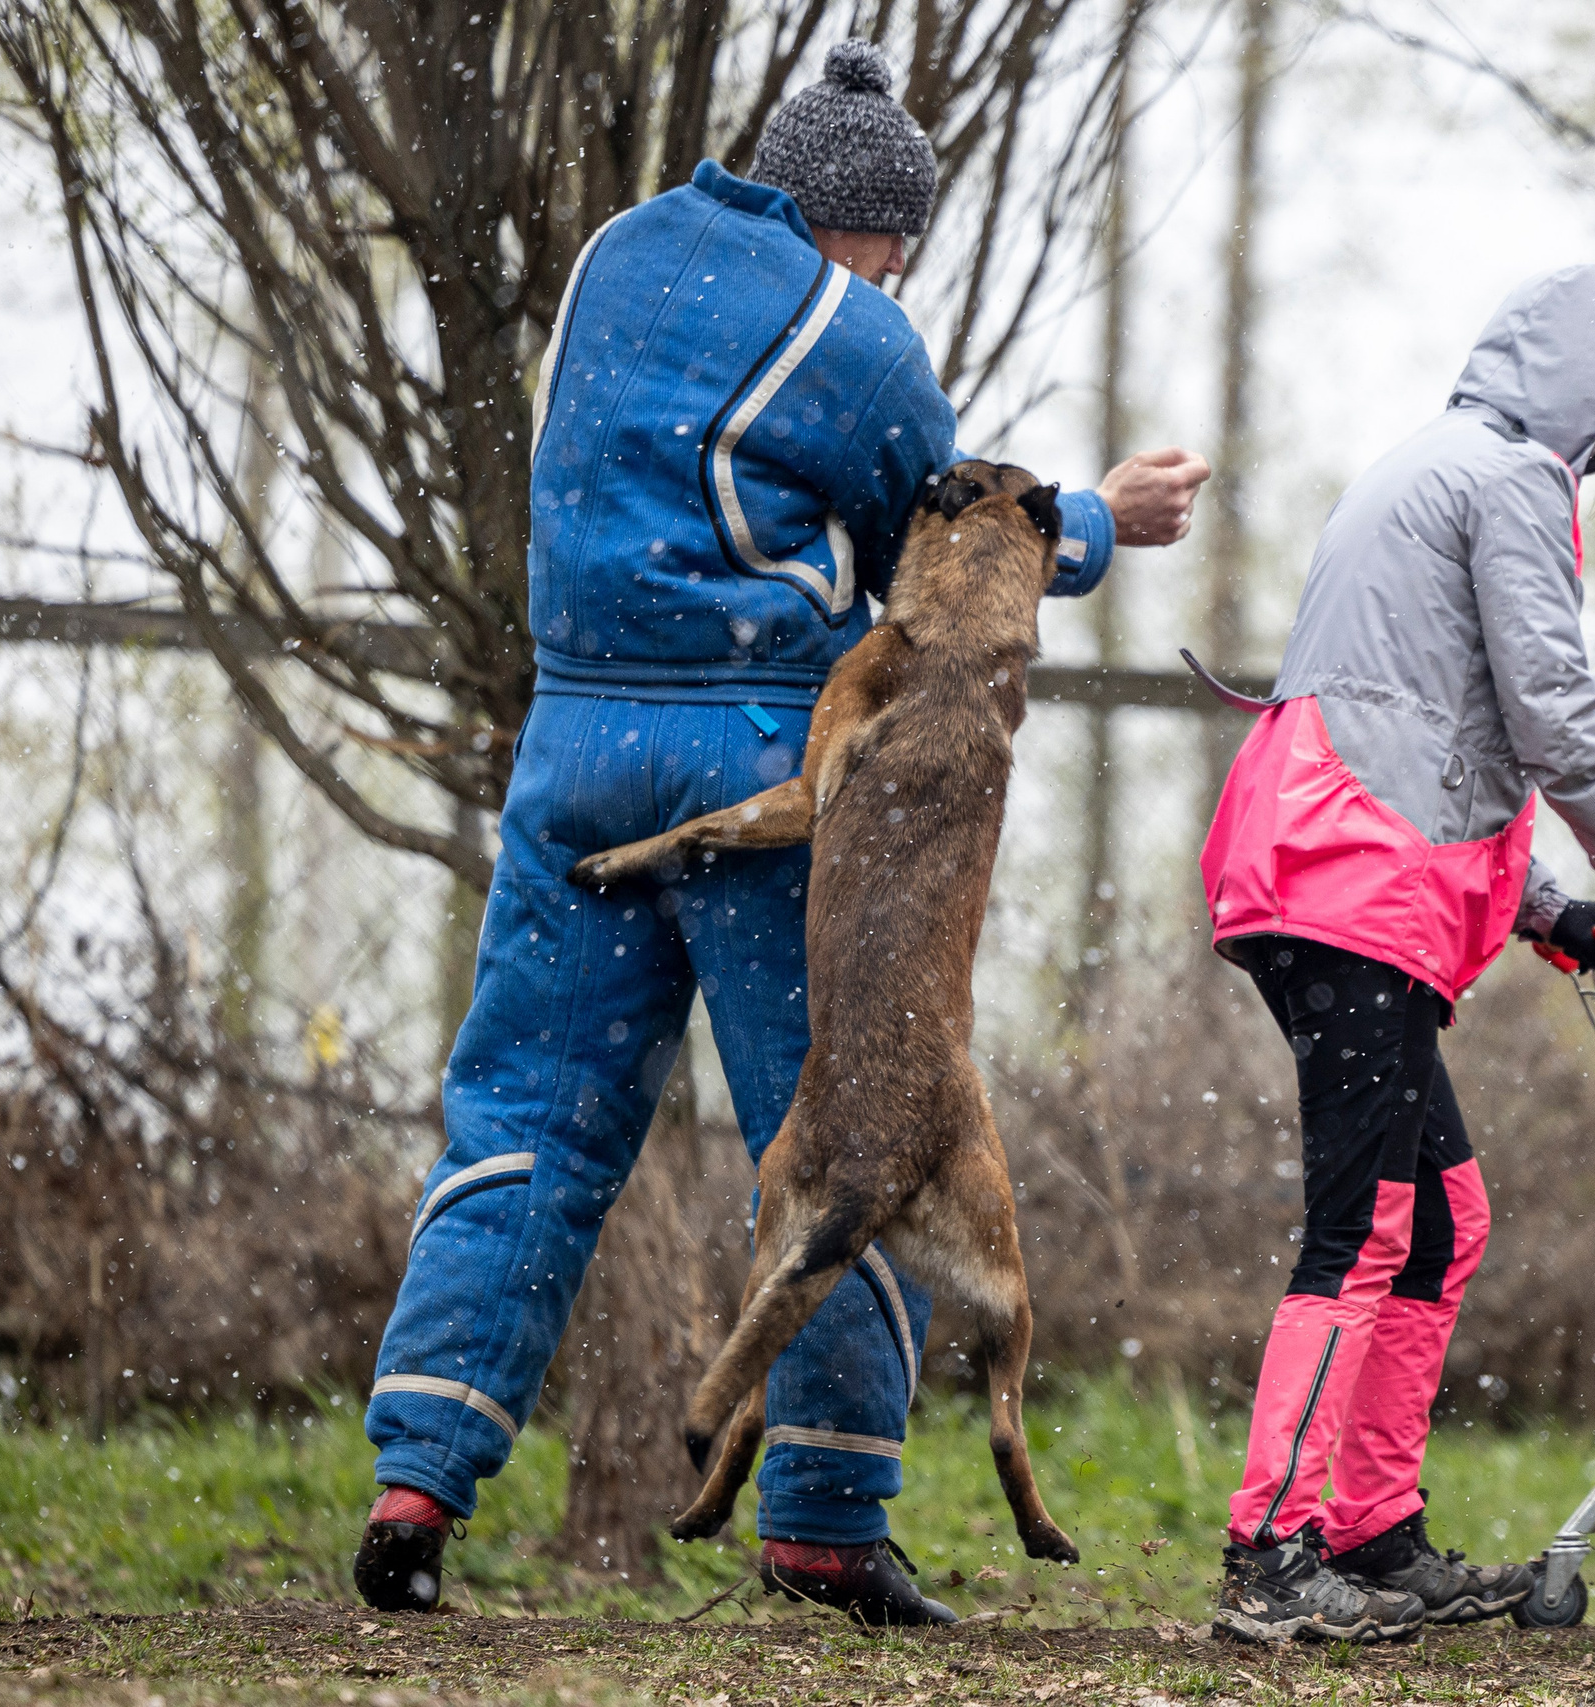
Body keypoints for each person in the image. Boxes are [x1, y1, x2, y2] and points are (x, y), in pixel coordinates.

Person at [353, 40, 1210, 1625]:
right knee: (845, 1136)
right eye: (897, 245)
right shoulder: (853, 334)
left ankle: (419, 1480)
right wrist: (1098, 520)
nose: (898, 274)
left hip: (570, 748)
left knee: (526, 1126)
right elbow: (951, 546)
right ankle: (823, 1520)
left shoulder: (619, 253)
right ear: (861, 223)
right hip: (749, 766)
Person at [1196, 264, 1595, 1643]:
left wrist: (1552, 908)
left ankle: (1370, 1530)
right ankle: (1273, 1551)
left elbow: (1435, 729)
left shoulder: (1432, 467)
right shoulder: (1511, 478)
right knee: (1363, 1227)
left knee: (1441, 1216)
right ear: (1591, 396)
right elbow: (1547, 711)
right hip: (1350, 887)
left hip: (1325, 864)